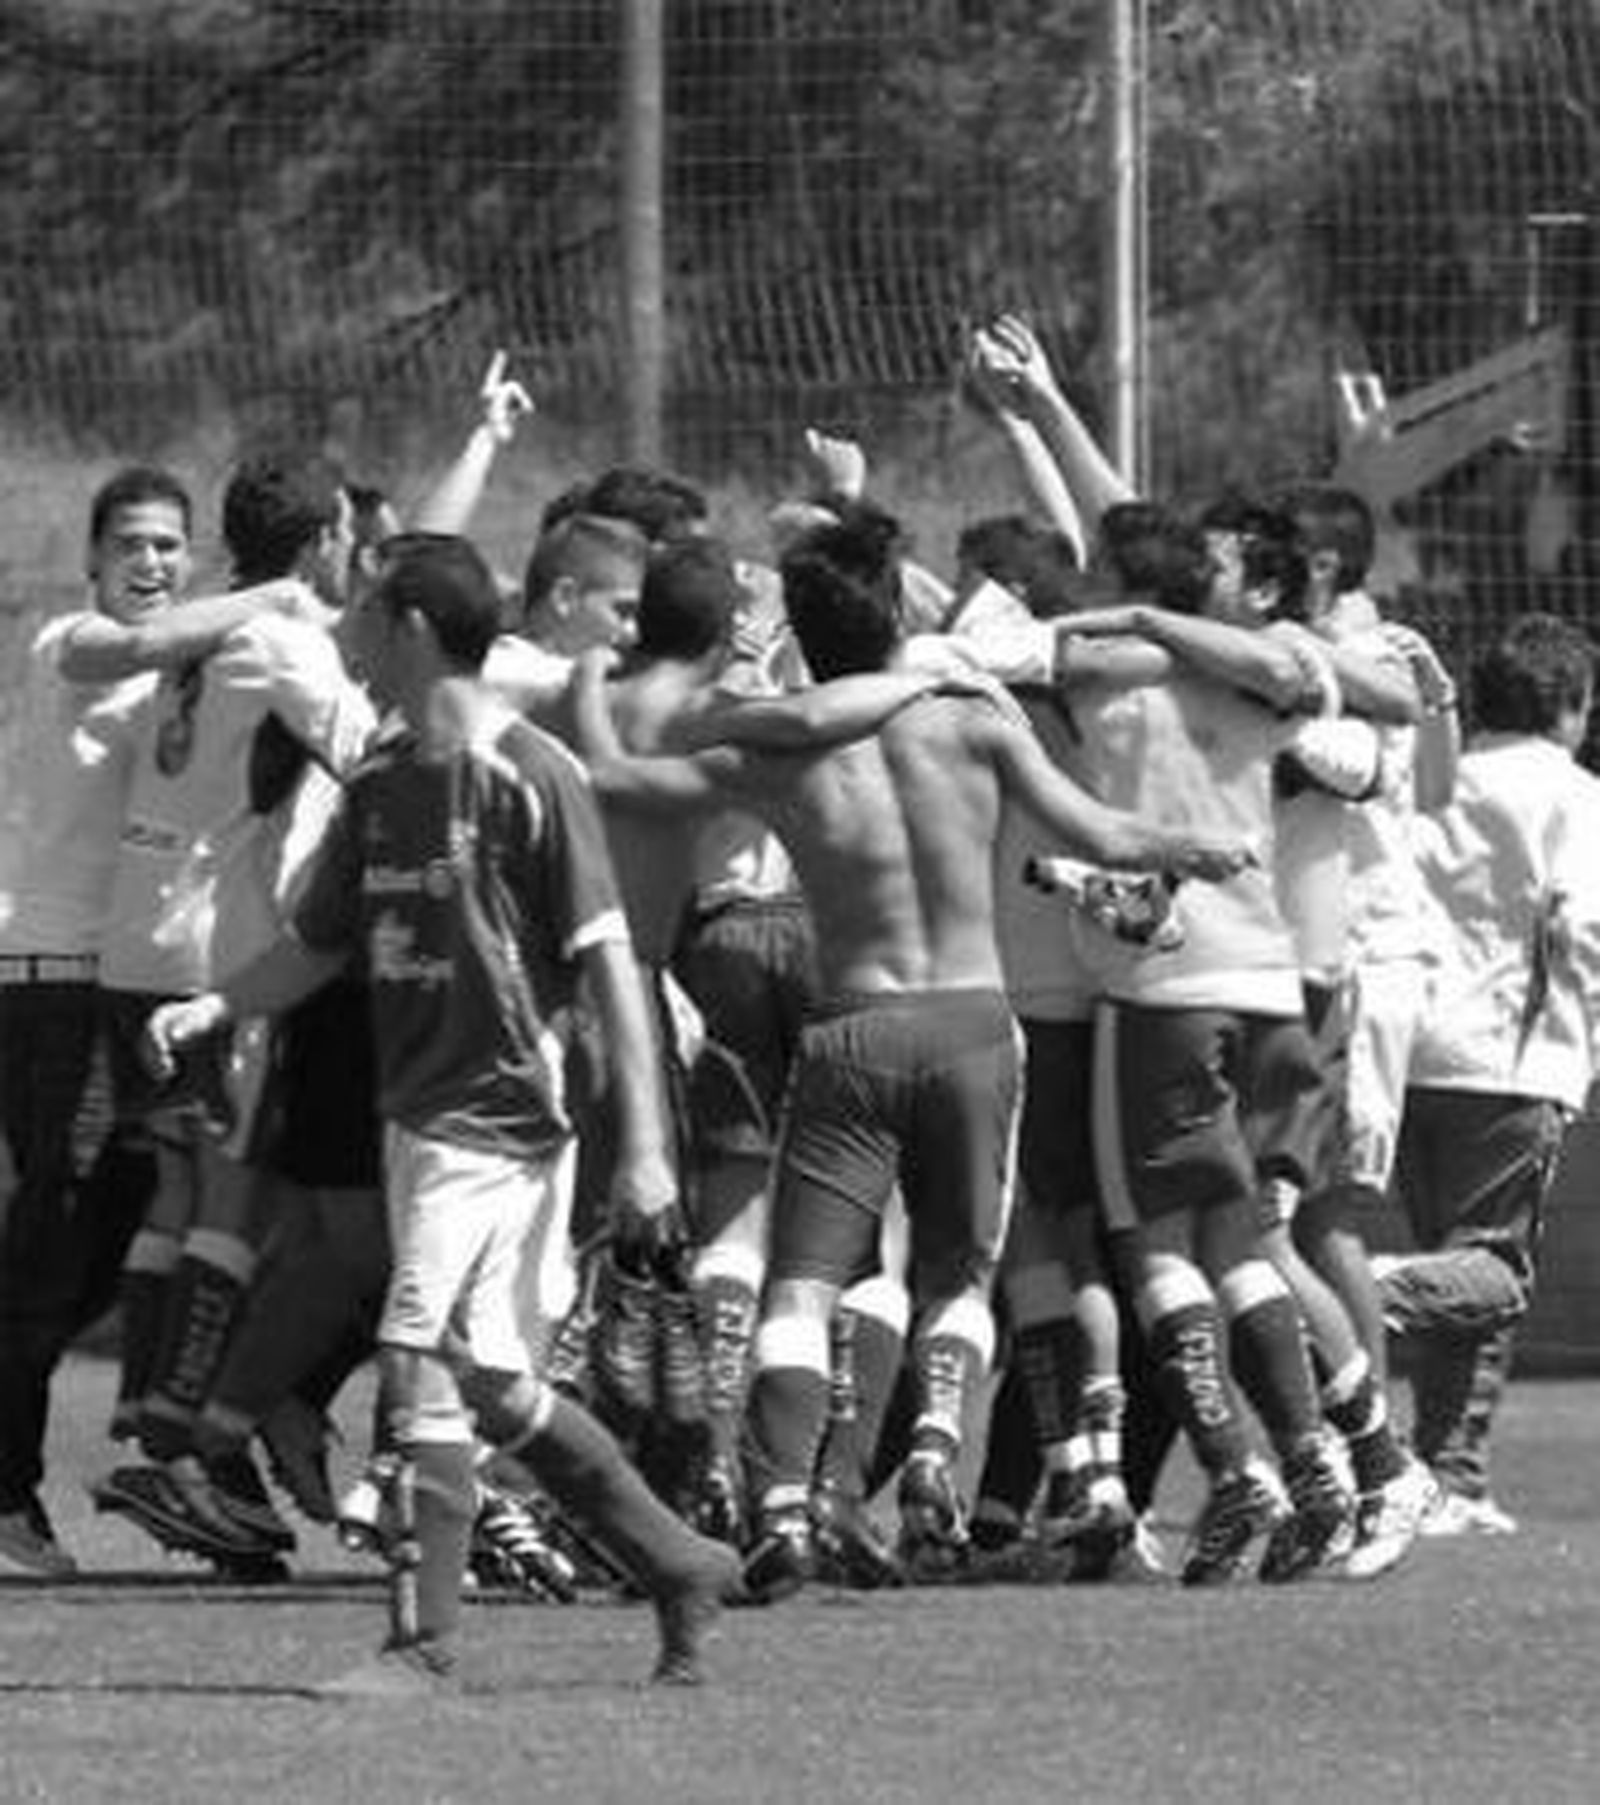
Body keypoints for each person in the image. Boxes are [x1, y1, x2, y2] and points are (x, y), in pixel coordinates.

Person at [576, 510, 1255, 1601]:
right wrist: (1196, 850)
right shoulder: (974, 724)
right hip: (976, 1027)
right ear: (898, 612)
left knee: (800, 1283)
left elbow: (619, 777)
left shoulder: (773, 746)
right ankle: (933, 1449)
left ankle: (784, 1503)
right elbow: (1107, 834)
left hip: (851, 1028)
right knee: (957, 1274)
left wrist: (580, 695)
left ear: (795, 630)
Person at [146, 534, 739, 1694]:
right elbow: (318, 944)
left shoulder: (532, 771)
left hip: (501, 1116)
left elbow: (608, 957)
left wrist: (652, 1153)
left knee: (411, 1357)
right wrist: (216, 1004)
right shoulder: (376, 778)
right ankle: (678, 1561)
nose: (350, 633)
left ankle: (422, 1644)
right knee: (494, 1378)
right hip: (416, 1118)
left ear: (411, 622)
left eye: (366, 610)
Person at [1379, 613, 1600, 1534]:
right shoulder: (1573, 793)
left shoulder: (1435, 776)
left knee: (1462, 1278)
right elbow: (1580, 922)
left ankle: (1450, 1477)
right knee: (1494, 1272)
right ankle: (1359, 1289)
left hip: (1407, 1052)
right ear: (1571, 704)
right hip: (1513, 1057)